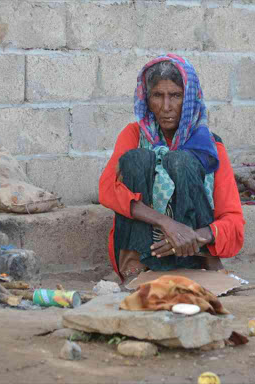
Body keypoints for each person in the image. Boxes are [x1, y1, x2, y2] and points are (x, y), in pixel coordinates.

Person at [99, 54, 245, 283]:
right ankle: (133, 265)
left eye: (176, 96)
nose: (166, 107)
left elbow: (234, 222)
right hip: (147, 252)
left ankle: (206, 259)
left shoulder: (209, 145)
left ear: (189, 99)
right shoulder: (134, 135)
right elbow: (107, 190)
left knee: (181, 161)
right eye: (158, 96)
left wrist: (196, 236)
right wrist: (166, 223)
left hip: (192, 251)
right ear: (147, 99)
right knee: (136, 159)